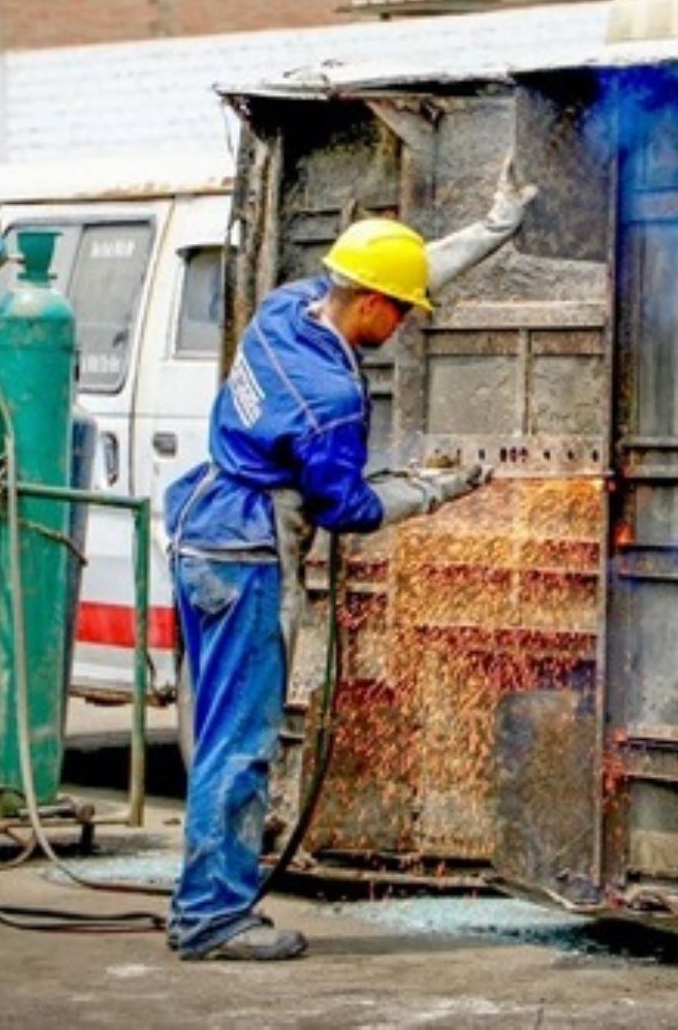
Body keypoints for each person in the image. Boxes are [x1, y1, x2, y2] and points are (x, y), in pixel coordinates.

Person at [163, 162, 538, 961]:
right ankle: (211, 917)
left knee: (216, 726)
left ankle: (205, 896)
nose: (404, 321)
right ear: (368, 305)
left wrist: (493, 228)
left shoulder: (288, 306)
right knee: (241, 739)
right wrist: (435, 489)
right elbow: (348, 509)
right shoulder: (329, 399)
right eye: (399, 313)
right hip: (248, 548)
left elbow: (400, 267)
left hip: (202, 522)